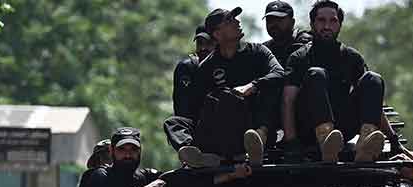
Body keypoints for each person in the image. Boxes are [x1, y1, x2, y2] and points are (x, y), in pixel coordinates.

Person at [164, 7, 285, 168]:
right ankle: (197, 155)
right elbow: (197, 109)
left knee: (248, 93)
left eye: (235, 18)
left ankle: (255, 148)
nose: (237, 22)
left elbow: (280, 73)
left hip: (254, 125)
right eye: (229, 20)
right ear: (217, 34)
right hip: (222, 132)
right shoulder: (206, 67)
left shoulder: (258, 52)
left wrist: (252, 86)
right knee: (173, 122)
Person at [282, 0, 399, 163]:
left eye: (333, 21)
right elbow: (288, 102)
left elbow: (372, 101)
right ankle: (326, 144)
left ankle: (365, 145)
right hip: (309, 128)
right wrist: (291, 142)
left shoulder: (352, 58)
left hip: (342, 129)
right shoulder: (299, 58)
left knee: (373, 78)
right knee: (316, 74)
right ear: (312, 23)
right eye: (321, 20)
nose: (327, 26)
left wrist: (393, 139)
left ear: (340, 24)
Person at [172, 26, 216, 119]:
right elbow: (181, 107)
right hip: (193, 123)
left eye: (208, 43)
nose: (203, 48)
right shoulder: (187, 67)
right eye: (199, 43)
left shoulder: (225, 66)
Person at [263, 1, 313, 67]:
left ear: (292, 22)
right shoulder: (264, 49)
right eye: (270, 20)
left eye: (279, 20)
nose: (274, 24)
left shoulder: (307, 43)